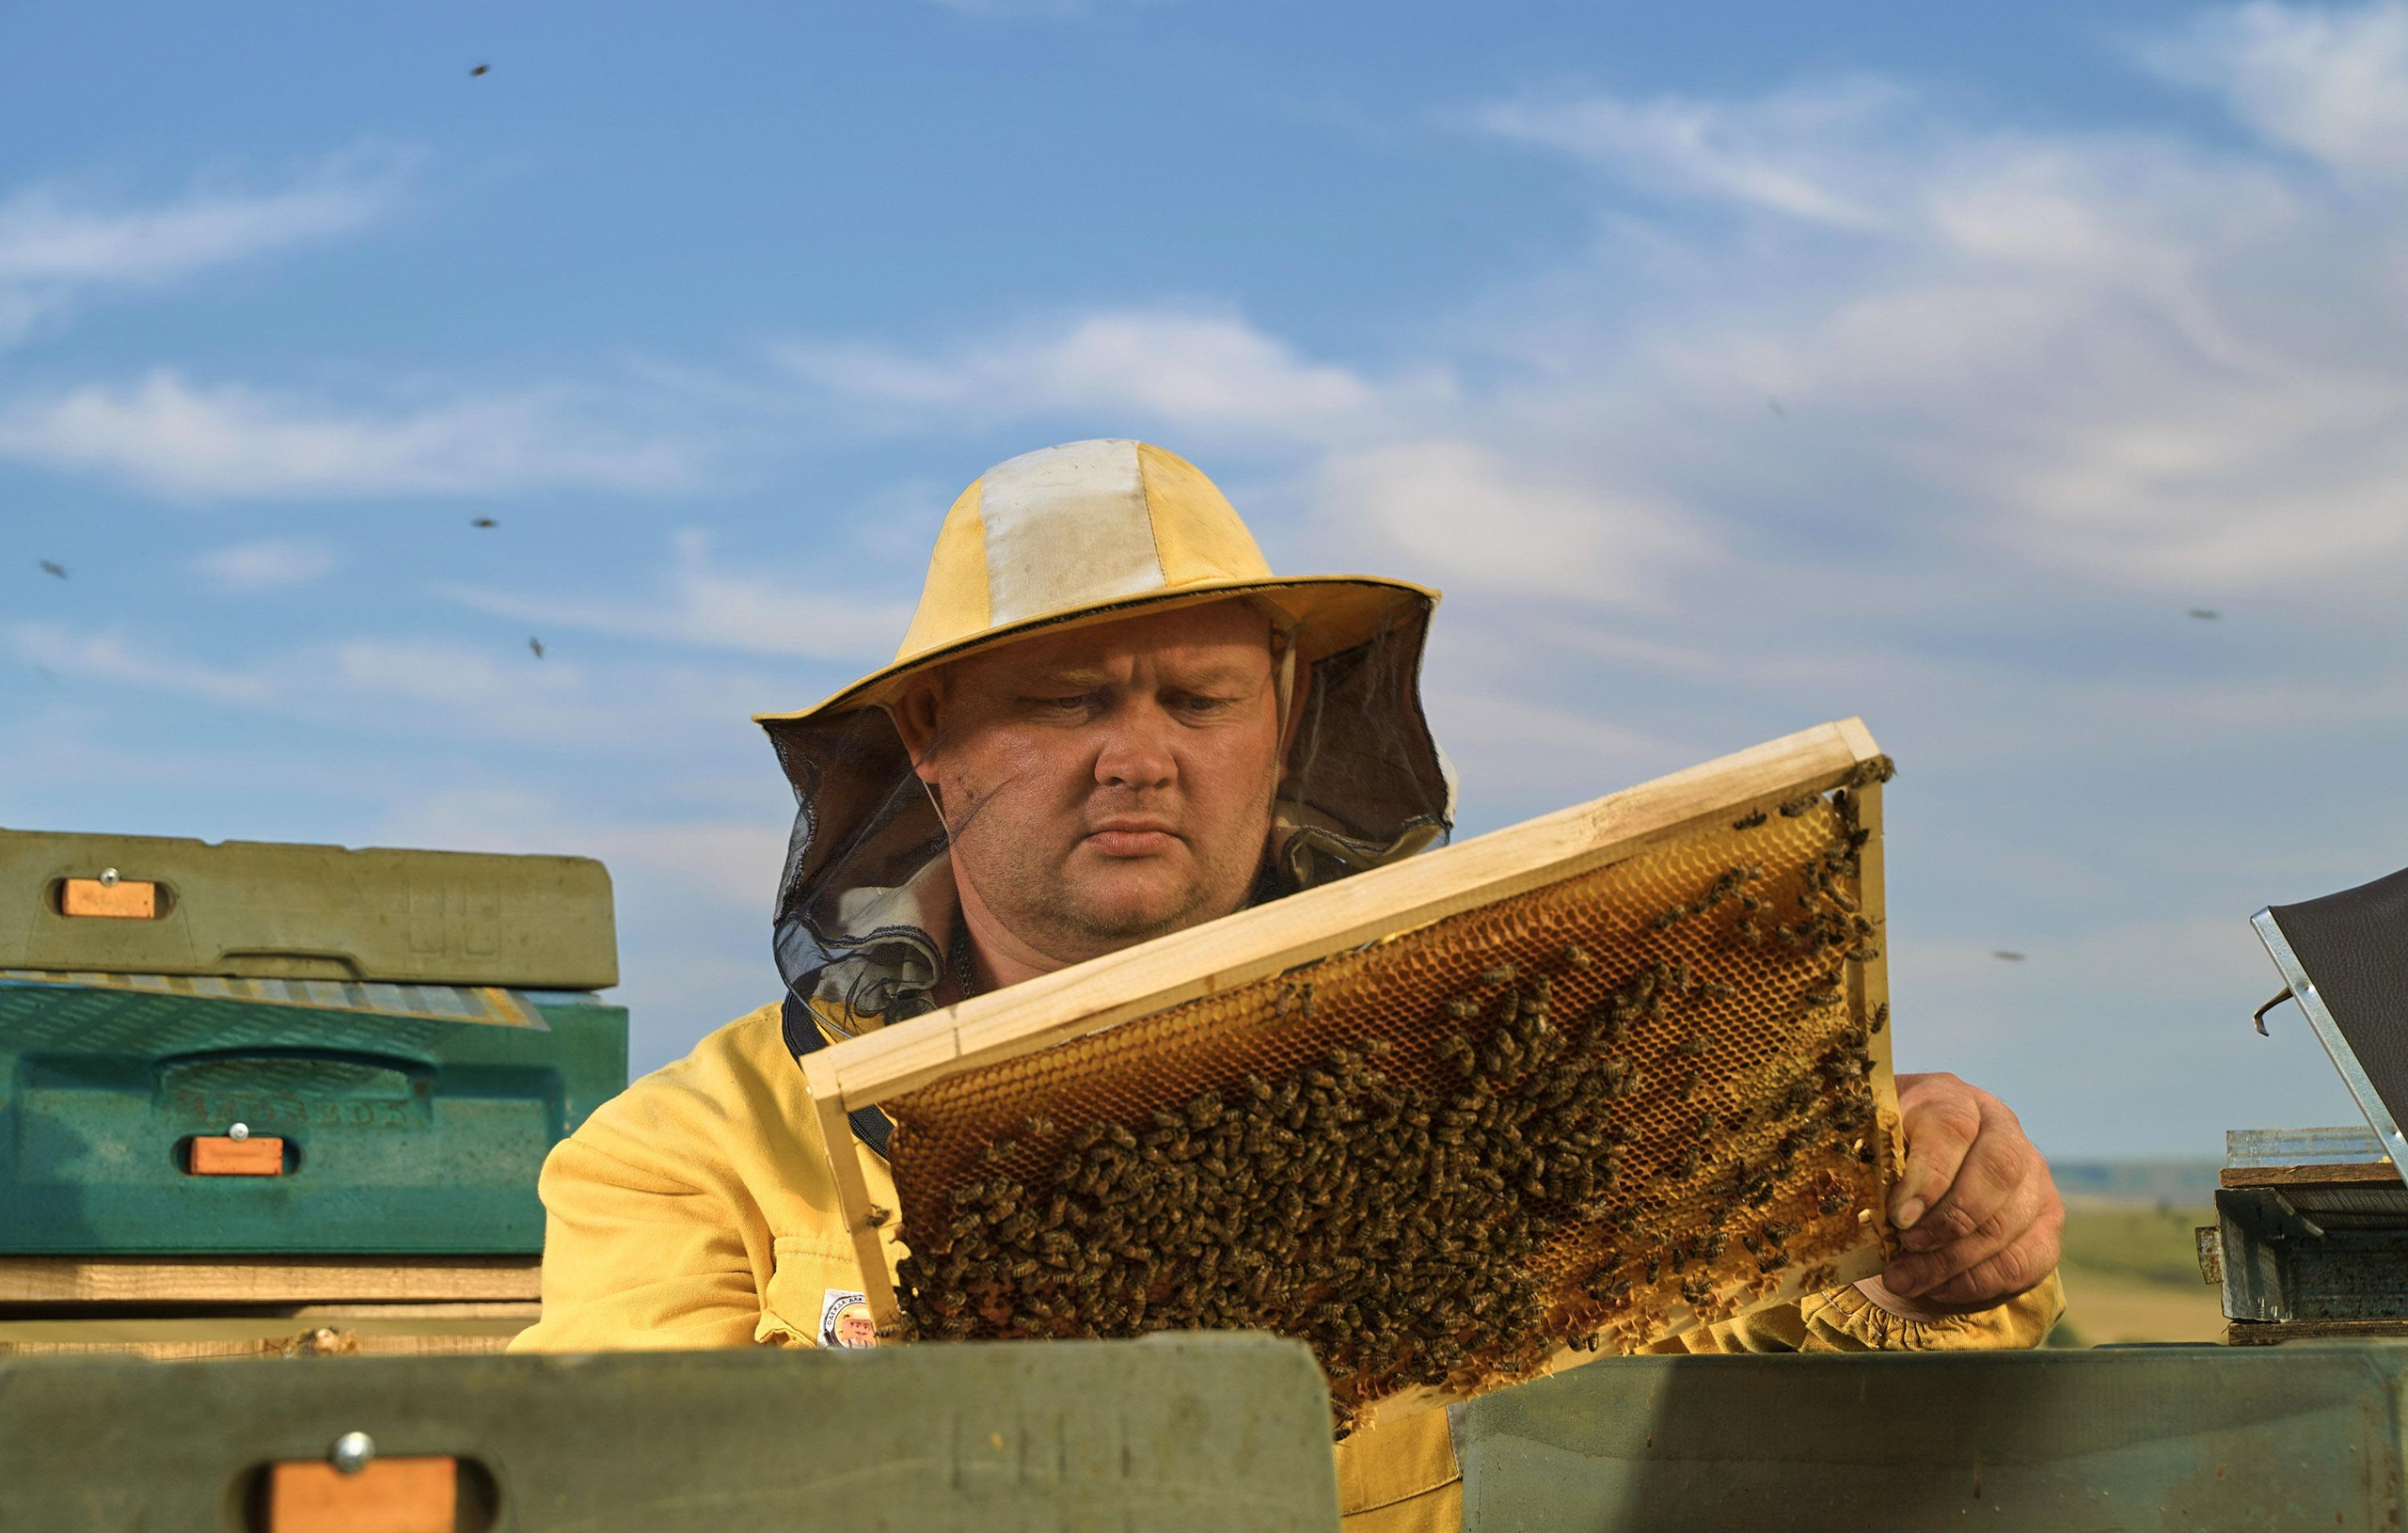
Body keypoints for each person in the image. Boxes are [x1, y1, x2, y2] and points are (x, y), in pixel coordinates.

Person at [514, 439, 2066, 1529]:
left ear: (1284, 720)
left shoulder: (1467, 1058)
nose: (1141, 757)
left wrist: (1899, 1253)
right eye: (1065, 704)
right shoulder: (689, 1154)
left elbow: (1687, 1348)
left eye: (1198, 699)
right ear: (927, 740)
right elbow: (625, 1493)